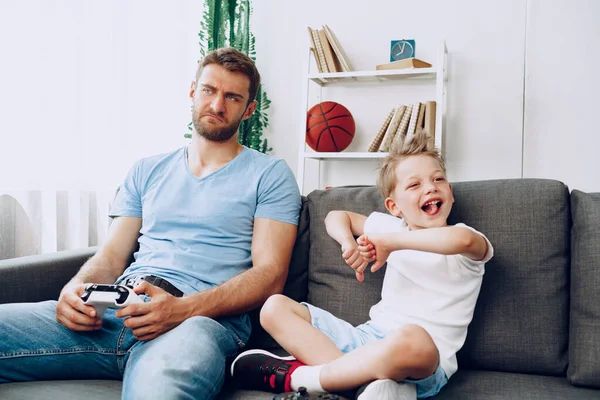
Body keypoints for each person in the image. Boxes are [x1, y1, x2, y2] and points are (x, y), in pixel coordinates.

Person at [0, 47, 301, 400]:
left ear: (249, 109)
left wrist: (183, 309)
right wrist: (75, 289)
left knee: (158, 389)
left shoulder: (270, 174)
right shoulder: (146, 170)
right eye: (209, 90)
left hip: (195, 323)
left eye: (232, 97)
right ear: (193, 91)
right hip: (117, 311)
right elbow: (112, 255)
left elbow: (270, 274)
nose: (218, 105)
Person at [231, 132, 494, 399]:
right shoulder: (390, 226)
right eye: (414, 185)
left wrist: (390, 244)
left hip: (423, 359)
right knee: (273, 307)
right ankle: (366, 387)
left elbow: (460, 240)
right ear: (394, 206)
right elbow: (336, 216)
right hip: (364, 342)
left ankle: (304, 378)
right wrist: (348, 243)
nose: (430, 187)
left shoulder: (465, 241)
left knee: (413, 337)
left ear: (450, 192)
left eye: (438, 179)